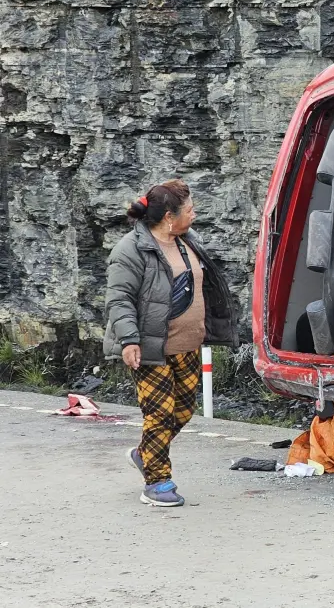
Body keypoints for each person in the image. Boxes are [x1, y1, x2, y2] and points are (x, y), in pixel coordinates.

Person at [103, 179, 238, 506]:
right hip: (150, 348)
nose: (194, 214)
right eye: (189, 210)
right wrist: (129, 340)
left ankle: (144, 453)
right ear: (168, 216)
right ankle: (157, 482)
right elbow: (119, 299)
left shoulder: (187, 241)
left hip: (188, 345)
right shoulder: (131, 249)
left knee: (183, 410)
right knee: (160, 414)